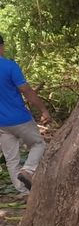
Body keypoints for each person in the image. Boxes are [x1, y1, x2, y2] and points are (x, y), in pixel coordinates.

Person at [0, 34, 52, 194]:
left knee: (11, 159)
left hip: (2, 124)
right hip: (20, 118)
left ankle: (25, 193)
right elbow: (27, 91)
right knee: (38, 144)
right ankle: (28, 170)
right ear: (1, 46)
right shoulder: (9, 66)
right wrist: (43, 109)